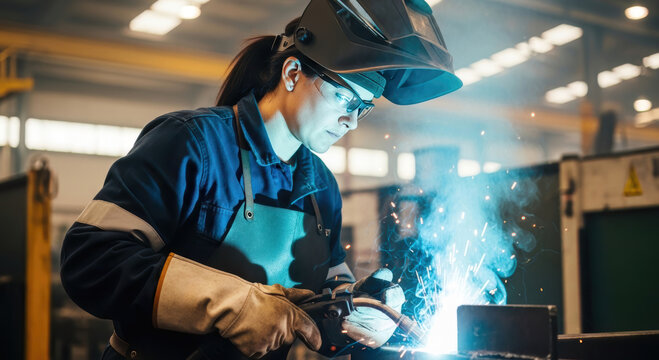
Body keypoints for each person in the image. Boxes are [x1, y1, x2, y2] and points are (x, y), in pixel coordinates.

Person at [60, 0, 462, 359]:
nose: (352, 120)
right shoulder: (193, 144)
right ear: (291, 73)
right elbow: (91, 260)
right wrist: (229, 304)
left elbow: (325, 291)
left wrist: (362, 306)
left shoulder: (322, 186)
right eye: (345, 98)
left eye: (364, 107)